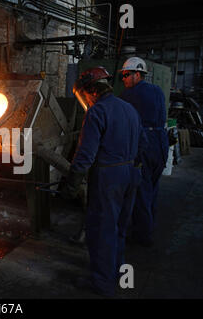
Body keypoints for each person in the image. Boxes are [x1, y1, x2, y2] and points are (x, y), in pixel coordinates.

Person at [61, 66, 146, 297]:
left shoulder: (97, 112)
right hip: (131, 174)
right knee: (119, 226)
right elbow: (143, 143)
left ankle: (102, 283)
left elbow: (84, 157)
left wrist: (71, 185)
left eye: (84, 94)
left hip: (109, 178)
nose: (86, 99)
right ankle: (116, 270)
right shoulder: (129, 109)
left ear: (90, 90)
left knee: (101, 230)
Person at [118, 57, 169, 247]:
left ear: (137, 74)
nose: (123, 79)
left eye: (125, 75)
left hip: (147, 145)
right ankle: (149, 225)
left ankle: (142, 236)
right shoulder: (157, 90)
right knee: (153, 189)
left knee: (141, 191)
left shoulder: (129, 95)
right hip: (161, 144)